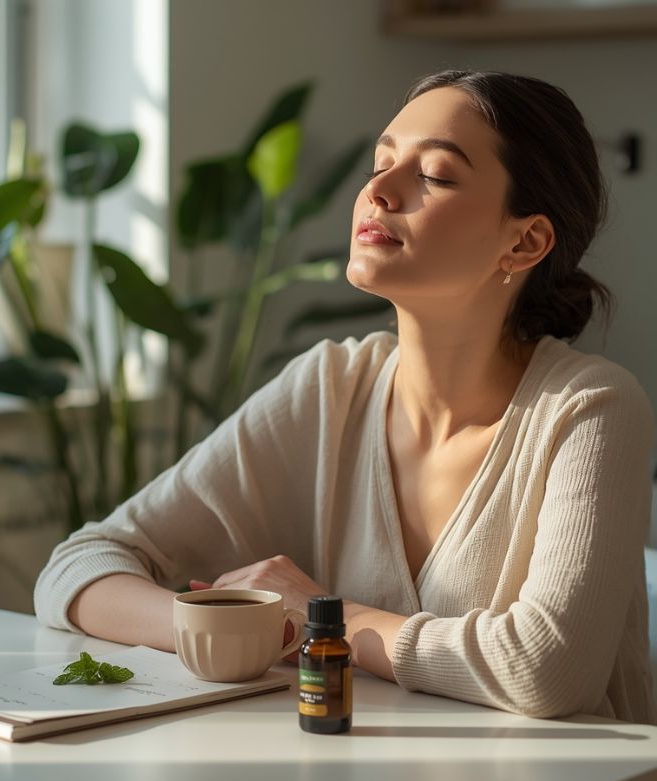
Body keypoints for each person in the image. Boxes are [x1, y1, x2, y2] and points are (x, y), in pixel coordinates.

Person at [34, 70, 656, 724]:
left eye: (436, 176)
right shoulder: (330, 387)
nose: (379, 192)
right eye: (380, 163)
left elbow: (546, 669)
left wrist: (327, 617)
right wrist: (236, 631)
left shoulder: (592, 409)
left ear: (523, 241)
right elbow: (77, 569)